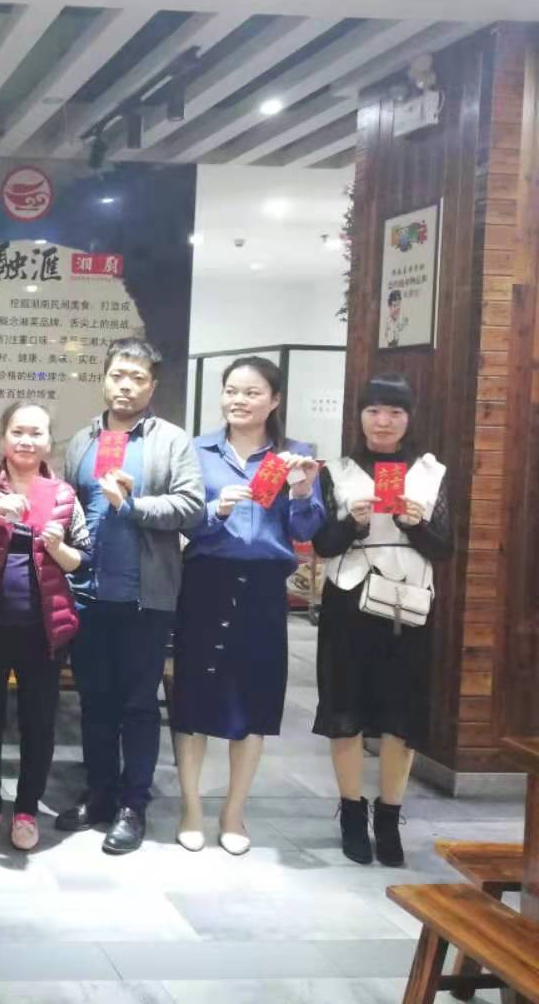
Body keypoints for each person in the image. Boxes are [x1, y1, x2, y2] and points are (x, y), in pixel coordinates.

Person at [172, 357, 324, 855]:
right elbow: (182, 521)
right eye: (231, 391)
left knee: (254, 703)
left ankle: (233, 813)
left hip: (262, 590)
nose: (239, 400)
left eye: (252, 392)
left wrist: (302, 488)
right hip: (205, 582)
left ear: (274, 400)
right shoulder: (196, 450)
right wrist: (215, 511)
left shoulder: (295, 455)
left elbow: (306, 530)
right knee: (192, 700)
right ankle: (191, 808)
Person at [59, 338, 204, 855]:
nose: (126, 386)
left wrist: (133, 504)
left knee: (139, 705)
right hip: (88, 594)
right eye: (118, 375)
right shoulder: (82, 440)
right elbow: (69, 506)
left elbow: (192, 508)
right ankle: (99, 793)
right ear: (104, 378)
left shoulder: (171, 441)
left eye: (138, 378)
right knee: (93, 701)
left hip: (146, 597)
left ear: (152, 386)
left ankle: (132, 805)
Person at [311, 374, 451, 868]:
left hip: (408, 606)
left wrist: (415, 525)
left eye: (395, 412)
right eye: (373, 410)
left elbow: (444, 549)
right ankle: (352, 813)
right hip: (348, 602)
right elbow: (323, 544)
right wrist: (353, 522)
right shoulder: (338, 471)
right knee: (344, 710)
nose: (383, 421)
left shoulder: (431, 472)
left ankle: (389, 817)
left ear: (409, 418)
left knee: (401, 716)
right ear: (360, 416)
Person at [0, 401, 89, 851]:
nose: (26, 441)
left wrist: (57, 548)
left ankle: (27, 808)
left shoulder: (64, 494)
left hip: (43, 630)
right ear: (3, 439)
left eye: (36, 433)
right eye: (17, 432)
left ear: (49, 442)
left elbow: (80, 561)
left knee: (39, 722)